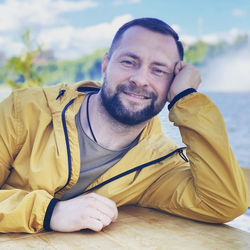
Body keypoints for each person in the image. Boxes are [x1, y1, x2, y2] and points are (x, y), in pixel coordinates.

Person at [0, 17, 248, 234]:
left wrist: (186, 99)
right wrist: (50, 213)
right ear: (106, 66)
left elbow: (224, 202)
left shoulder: (158, 165)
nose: (140, 79)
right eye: (129, 62)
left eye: (159, 70)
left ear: (172, 84)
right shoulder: (24, 110)